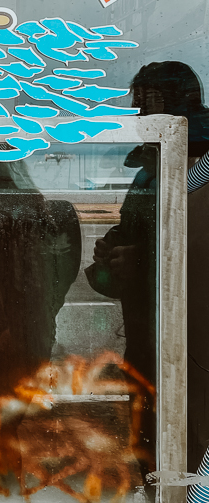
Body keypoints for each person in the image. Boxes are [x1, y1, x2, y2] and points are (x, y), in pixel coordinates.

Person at [87, 60, 209, 469]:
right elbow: (134, 226)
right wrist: (113, 249)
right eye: (138, 105)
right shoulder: (150, 169)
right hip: (146, 328)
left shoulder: (200, 167)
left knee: (191, 429)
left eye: (148, 104)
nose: (140, 116)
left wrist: (139, 260)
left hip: (191, 336)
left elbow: (194, 247)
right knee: (149, 429)